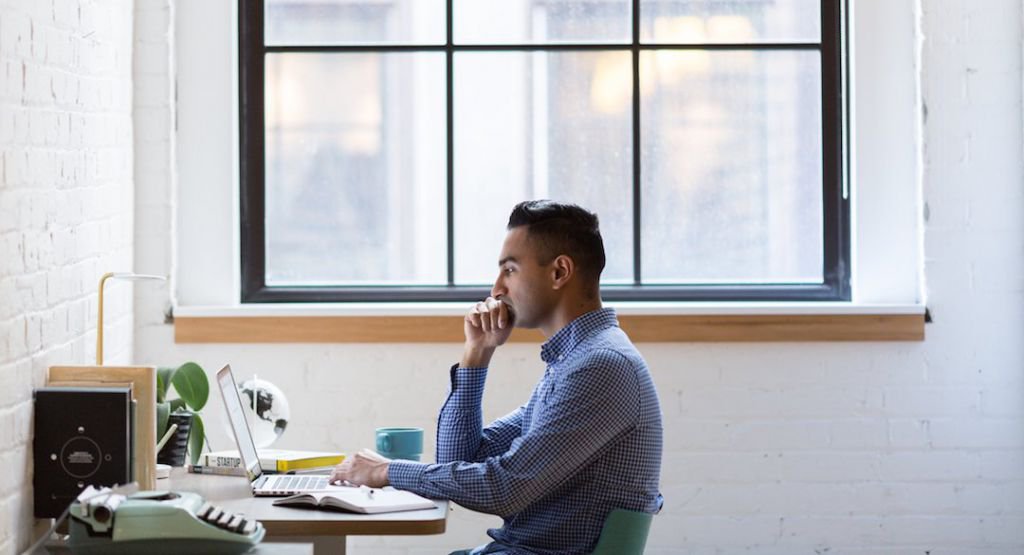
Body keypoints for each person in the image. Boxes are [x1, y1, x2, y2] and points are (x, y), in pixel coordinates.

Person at [331, 200, 663, 554]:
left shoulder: (600, 366)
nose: (496, 290)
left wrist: (386, 472)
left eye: (510, 270)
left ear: (559, 272)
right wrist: (477, 354)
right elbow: (457, 461)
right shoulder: (572, 363)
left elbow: (505, 489)